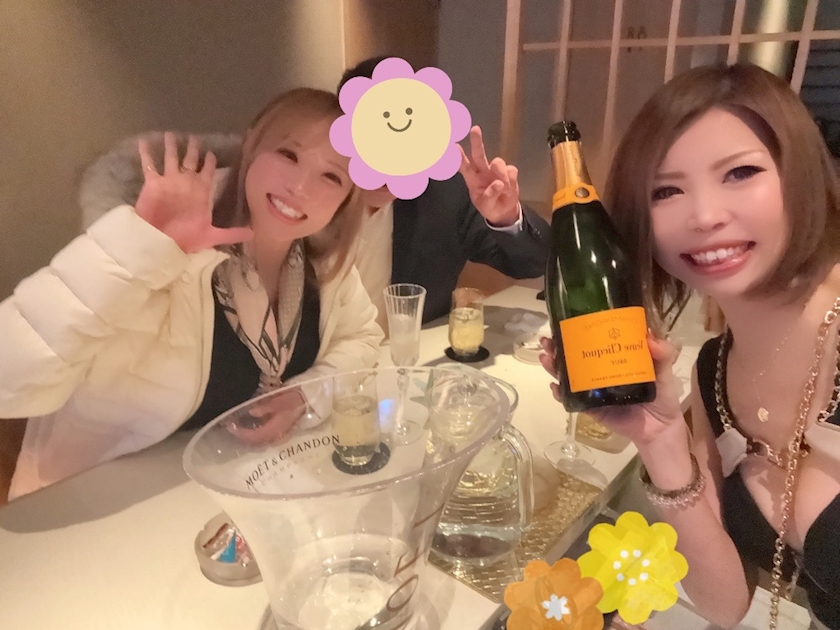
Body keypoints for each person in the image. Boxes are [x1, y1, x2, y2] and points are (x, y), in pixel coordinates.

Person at [540, 63, 840, 629]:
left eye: (740, 172)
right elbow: (726, 604)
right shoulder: (713, 373)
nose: (704, 217)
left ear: (798, 174)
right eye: (666, 190)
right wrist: (660, 442)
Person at [0, 88, 384, 500]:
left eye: (331, 176)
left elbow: (362, 339)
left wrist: (305, 395)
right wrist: (136, 251)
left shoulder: (322, 262)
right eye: (288, 155)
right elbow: (8, 381)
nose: (301, 187)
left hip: (231, 490)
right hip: (98, 503)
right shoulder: (159, 251)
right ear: (252, 146)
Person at [338, 56, 551, 327]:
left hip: (413, 350)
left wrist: (507, 218)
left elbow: (534, 263)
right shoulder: (309, 196)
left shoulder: (447, 196)